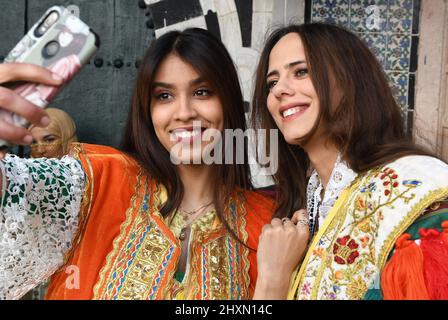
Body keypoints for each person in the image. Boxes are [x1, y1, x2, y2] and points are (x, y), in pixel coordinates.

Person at [0, 28, 274, 300]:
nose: (184, 112)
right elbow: (11, 185)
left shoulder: (265, 223)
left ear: (228, 102)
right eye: (164, 96)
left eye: (202, 92)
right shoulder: (98, 181)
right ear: (147, 110)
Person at [251, 23, 448, 300]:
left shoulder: (412, 190)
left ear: (349, 80)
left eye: (301, 72)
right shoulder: (301, 209)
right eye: (272, 83)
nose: (279, 90)